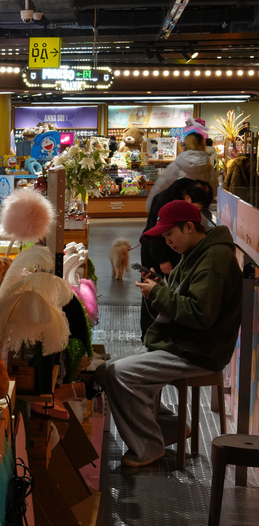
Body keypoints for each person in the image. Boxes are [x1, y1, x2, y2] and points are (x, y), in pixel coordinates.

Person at [98, 200, 242, 468]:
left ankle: (148, 447)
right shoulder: (196, 252)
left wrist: (159, 293)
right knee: (107, 369)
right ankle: (169, 427)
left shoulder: (214, 260)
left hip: (198, 350)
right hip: (182, 341)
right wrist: (160, 288)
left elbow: (201, 314)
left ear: (189, 227)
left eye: (169, 234)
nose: (167, 242)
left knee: (120, 374)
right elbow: (181, 296)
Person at [138, 177, 214, 338]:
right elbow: (155, 234)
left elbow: (195, 310)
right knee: (150, 289)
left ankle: (163, 332)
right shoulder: (166, 201)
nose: (196, 213)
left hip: (174, 252)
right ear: (187, 198)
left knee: (171, 287)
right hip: (153, 250)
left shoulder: (212, 259)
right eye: (196, 207)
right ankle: (148, 333)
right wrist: (161, 259)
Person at [145, 131, 219, 211]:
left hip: (177, 210)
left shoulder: (177, 165)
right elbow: (214, 190)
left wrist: (151, 206)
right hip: (199, 211)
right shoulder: (208, 167)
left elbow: (160, 186)